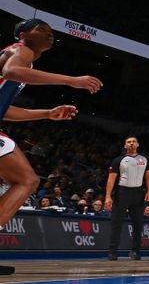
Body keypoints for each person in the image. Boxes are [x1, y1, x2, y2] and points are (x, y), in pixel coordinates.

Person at [0, 19, 102, 275]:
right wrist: (70, 80)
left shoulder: (22, 60)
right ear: (23, 34)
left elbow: (5, 111)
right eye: (40, 28)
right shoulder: (19, 50)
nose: (48, 33)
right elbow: (13, 71)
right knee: (27, 180)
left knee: (26, 180)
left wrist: (47, 113)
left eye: (50, 30)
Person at [105, 136, 149, 261]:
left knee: (138, 223)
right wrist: (108, 196)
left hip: (138, 193)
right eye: (128, 142)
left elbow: (148, 176)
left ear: (138, 144)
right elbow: (111, 179)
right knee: (116, 222)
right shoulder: (118, 160)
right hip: (122, 192)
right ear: (125, 146)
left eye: (133, 142)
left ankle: (135, 251)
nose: (131, 144)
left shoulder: (145, 159)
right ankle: (113, 251)